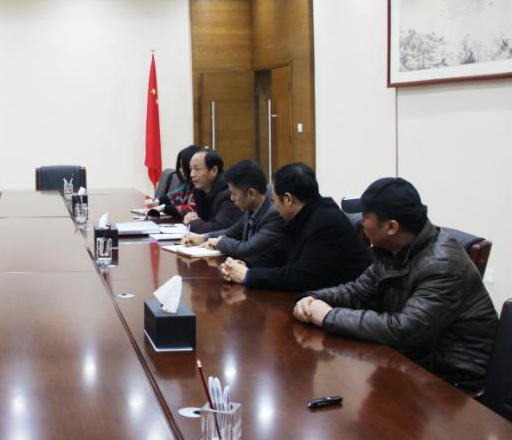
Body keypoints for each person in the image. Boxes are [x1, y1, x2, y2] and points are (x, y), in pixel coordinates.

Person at [294, 177, 498, 392]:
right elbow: (357, 292)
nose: (360, 222)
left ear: (391, 227)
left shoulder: (443, 265)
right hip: (412, 360)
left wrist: (328, 316)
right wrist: (314, 298)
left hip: (451, 379)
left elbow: (404, 329)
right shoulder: (393, 249)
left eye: (365, 216)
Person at [220, 163, 371, 290]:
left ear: (288, 199)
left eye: (275, 200)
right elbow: (278, 255)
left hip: (346, 303)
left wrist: (248, 275)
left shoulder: (326, 222)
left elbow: (301, 276)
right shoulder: (302, 216)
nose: (274, 206)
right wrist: (245, 265)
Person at [183, 160, 283, 263]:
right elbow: (230, 232)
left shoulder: (274, 215)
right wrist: (203, 238)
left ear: (251, 194)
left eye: (234, 193)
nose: (232, 198)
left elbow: (246, 249)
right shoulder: (252, 209)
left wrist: (219, 242)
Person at [183, 149, 242, 233]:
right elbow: (204, 221)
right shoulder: (199, 191)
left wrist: (192, 223)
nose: (192, 174)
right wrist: (193, 217)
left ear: (214, 171)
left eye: (197, 169)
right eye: (191, 169)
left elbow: (217, 228)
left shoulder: (228, 194)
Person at [145, 144, 199, 218]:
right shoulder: (188, 185)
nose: (180, 170)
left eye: (182, 166)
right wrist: (158, 201)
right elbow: (174, 195)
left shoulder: (201, 187)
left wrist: (164, 208)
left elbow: (191, 208)